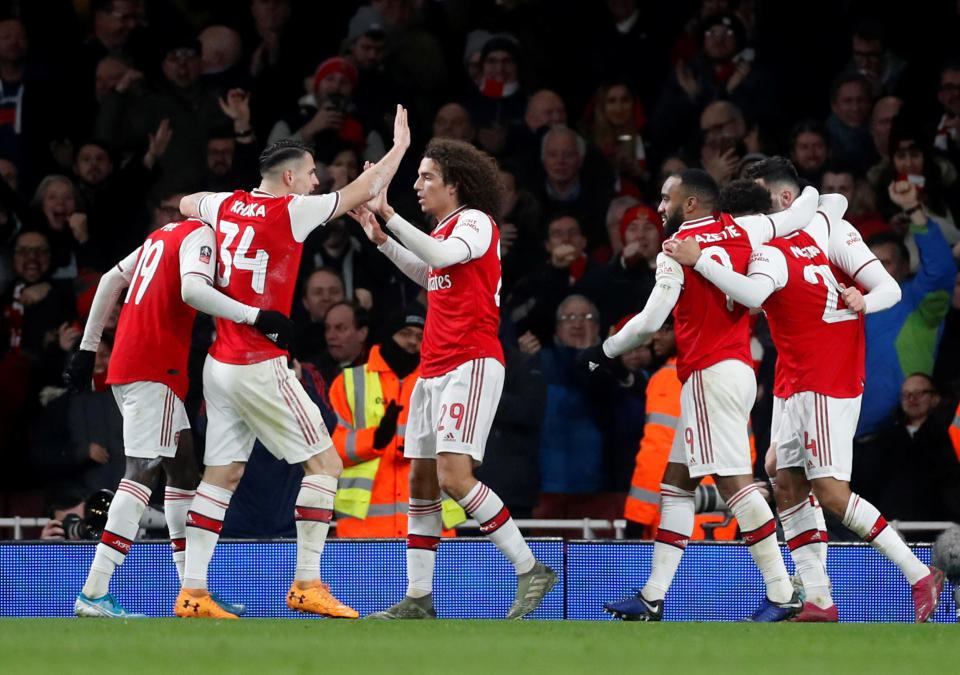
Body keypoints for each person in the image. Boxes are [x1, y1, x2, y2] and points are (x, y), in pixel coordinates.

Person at [665, 164, 945, 623]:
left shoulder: (771, 251)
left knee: (831, 494)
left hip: (822, 380)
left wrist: (703, 261)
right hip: (792, 378)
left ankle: (919, 574)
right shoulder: (811, 232)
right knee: (785, 478)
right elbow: (823, 205)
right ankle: (817, 598)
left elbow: (755, 295)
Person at [171, 106, 410, 619]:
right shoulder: (291, 211)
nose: (316, 181)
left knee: (222, 475)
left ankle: (192, 593)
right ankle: (306, 583)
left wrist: (217, 227)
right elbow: (364, 191)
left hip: (218, 365)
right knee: (325, 465)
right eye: (309, 173)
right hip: (260, 363)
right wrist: (400, 148)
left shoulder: (225, 204)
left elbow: (186, 203)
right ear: (287, 177)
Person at [586, 168, 819, 622]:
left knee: (734, 483)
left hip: (712, 374)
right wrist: (811, 189)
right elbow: (798, 215)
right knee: (676, 484)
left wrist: (605, 349)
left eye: (665, 198)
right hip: (730, 370)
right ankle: (653, 596)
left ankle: (781, 590)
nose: (658, 207)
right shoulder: (745, 226)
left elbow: (652, 322)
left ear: (689, 204)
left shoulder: (676, 251)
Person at [349, 136, 557, 620]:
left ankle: (531, 569)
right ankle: (419, 597)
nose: (417, 185)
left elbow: (440, 261)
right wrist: (382, 242)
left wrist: (390, 216)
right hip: (435, 364)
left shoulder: (478, 223)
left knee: (453, 478)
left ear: (455, 184)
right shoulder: (445, 230)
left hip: (472, 362)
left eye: (426, 177)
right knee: (421, 482)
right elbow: (431, 274)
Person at [63, 210, 294, 618]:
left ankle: (194, 591)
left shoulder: (162, 235)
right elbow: (192, 290)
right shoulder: (202, 235)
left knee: (183, 468)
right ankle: (94, 592)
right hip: (155, 366)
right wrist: (253, 315)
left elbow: (109, 281)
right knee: (142, 470)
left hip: (132, 363)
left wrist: (88, 347)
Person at [330, 303, 463, 537]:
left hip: (429, 524)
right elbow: (328, 451)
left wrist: (423, 450)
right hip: (364, 530)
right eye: (405, 334)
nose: (413, 342)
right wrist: (377, 440)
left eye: (420, 337)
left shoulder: (442, 383)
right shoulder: (348, 382)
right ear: (387, 336)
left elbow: (462, 447)